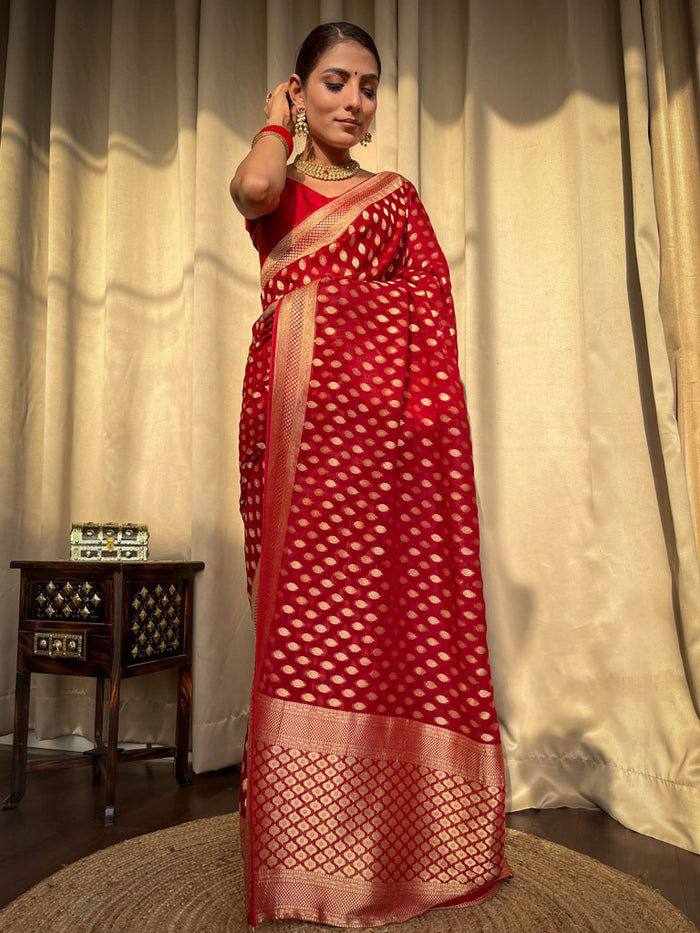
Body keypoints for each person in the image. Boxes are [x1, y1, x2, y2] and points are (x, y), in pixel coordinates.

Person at [229, 20, 514, 930]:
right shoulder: (280, 183)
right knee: (301, 622)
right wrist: (273, 124)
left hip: (378, 450)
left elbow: (429, 305)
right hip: (293, 430)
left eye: (369, 87)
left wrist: (343, 318)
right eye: (335, 83)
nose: (355, 102)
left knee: (375, 618)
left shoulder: (394, 199)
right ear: (298, 90)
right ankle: (298, 850)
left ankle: (397, 836)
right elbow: (253, 188)